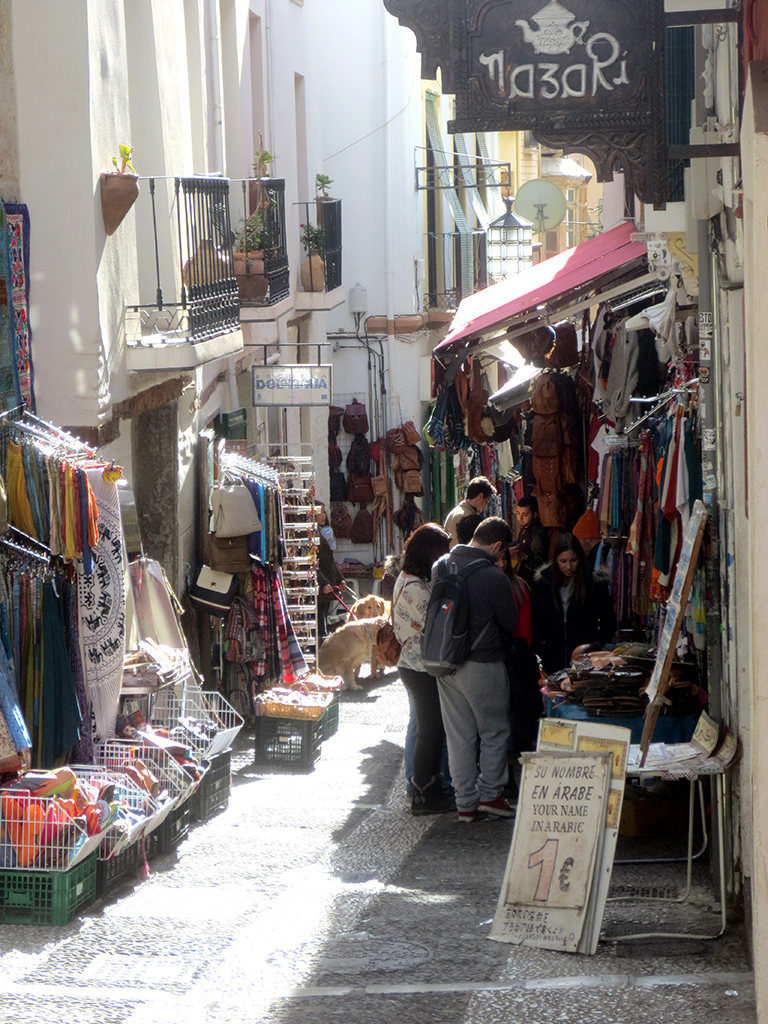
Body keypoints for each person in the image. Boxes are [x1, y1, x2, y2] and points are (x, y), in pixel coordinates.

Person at [431, 516, 519, 822]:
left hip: (445, 664)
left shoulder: (440, 566)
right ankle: (491, 795)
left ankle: (465, 803)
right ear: (497, 545)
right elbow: (511, 623)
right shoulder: (493, 577)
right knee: (494, 732)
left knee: (459, 736)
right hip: (483, 663)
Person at [392, 523, 454, 815]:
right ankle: (421, 795)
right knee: (428, 731)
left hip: (413, 665)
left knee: (428, 729)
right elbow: (438, 620)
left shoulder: (407, 578)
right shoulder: (417, 588)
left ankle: (429, 790)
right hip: (419, 667)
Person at [531, 532, 617, 674]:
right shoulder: (544, 583)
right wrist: (541, 646)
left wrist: (596, 645)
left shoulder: (593, 583)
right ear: (556, 560)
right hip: (552, 658)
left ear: (580, 558)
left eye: (573, 560)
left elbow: (608, 619)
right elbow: (536, 618)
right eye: (563, 561)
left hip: (585, 658)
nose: (569, 566)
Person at [315, 504, 346, 640]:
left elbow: (331, 562)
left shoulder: (326, 534)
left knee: (324, 615)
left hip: (328, 584)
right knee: (319, 618)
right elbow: (313, 565)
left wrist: (340, 579)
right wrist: (324, 583)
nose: (324, 516)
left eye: (324, 513)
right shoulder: (312, 537)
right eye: (320, 513)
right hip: (320, 586)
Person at [443, 477, 496, 547]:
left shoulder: (456, 511)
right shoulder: (467, 517)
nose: (485, 506)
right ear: (480, 496)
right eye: (486, 502)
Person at [511, 496, 550, 588]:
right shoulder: (525, 529)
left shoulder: (537, 532)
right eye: (518, 513)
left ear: (535, 514)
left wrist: (524, 558)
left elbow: (540, 562)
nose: (520, 518)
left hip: (532, 582)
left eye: (525, 515)